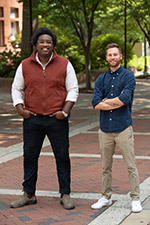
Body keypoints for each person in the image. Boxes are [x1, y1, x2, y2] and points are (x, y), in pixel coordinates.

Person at [11, 27, 78, 210]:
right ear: (35, 44)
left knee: (62, 156)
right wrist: (21, 110)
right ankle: (29, 194)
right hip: (32, 119)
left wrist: (64, 112)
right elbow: (17, 88)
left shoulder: (65, 64)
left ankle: (65, 194)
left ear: (53, 44)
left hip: (56, 119)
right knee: (30, 157)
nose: (45, 44)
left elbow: (72, 90)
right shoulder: (25, 65)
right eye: (41, 41)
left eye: (48, 41)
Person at [91, 43, 142, 213]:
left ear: (120, 56)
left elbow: (124, 100)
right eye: (109, 55)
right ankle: (105, 197)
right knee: (106, 167)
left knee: (130, 165)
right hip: (105, 129)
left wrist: (106, 101)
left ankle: (135, 198)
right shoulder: (101, 79)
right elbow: (95, 104)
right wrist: (112, 102)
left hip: (123, 128)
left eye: (115, 54)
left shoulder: (128, 77)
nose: (112, 57)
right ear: (106, 58)